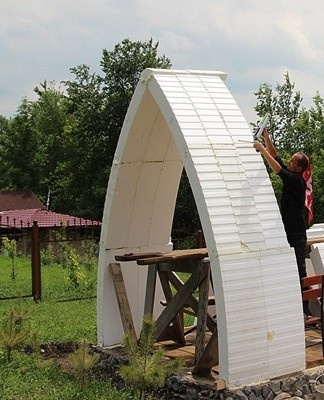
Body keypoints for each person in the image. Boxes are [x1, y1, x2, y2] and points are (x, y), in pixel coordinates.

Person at [253, 129, 309, 285]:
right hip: (290, 233)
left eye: (292, 161)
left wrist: (262, 150)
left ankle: (305, 307)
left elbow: (277, 168)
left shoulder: (296, 181)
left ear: (298, 168)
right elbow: (276, 157)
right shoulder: (293, 176)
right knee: (289, 272)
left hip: (296, 235)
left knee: (299, 273)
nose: (289, 162)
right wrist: (266, 136)